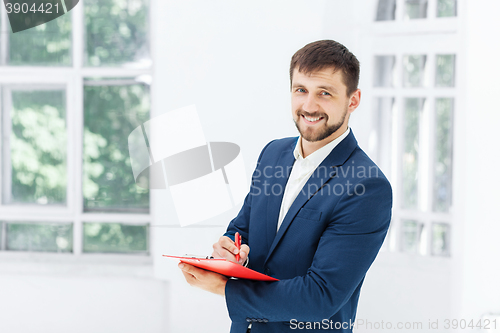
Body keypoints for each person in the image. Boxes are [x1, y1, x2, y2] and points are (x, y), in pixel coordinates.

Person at [178, 39, 393, 332]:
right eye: (301, 90)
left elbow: (320, 297)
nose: (309, 105)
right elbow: (243, 228)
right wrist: (229, 250)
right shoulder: (273, 154)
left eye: (325, 93)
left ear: (353, 100)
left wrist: (223, 289)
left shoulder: (367, 187)